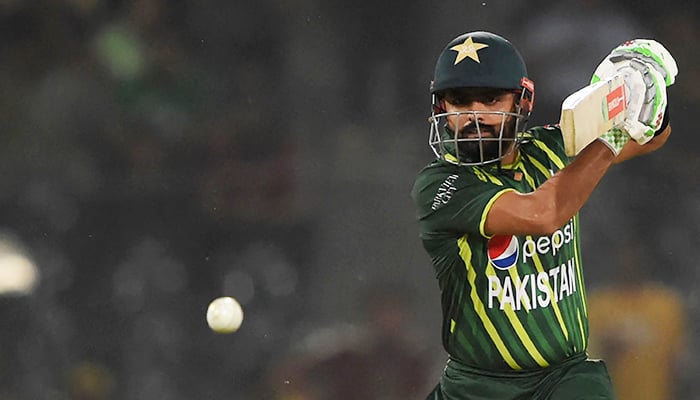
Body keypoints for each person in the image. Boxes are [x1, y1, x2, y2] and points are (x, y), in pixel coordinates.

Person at [410, 31, 676, 400]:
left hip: (564, 380)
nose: (475, 115)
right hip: (473, 388)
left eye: (491, 99)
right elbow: (544, 212)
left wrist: (641, 97)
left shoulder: (551, 148)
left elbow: (652, 138)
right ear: (441, 108)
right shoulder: (440, 186)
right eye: (459, 101)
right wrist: (614, 134)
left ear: (522, 102)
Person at [587, 243, 688, 400]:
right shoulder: (599, 305)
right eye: (623, 260)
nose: (628, 265)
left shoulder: (665, 306)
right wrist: (608, 347)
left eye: (634, 260)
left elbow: (677, 364)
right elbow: (587, 362)